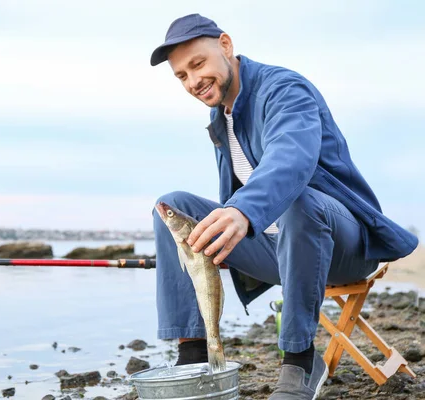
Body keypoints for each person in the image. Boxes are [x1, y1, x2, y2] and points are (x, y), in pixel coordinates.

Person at [149, 13, 418, 400]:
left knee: (300, 200)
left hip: (342, 244)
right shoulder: (221, 117)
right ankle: (192, 357)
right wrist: (223, 235)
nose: (193, 81)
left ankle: (299, 362)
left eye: (198, 64)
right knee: (172, 208)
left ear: (225, 46)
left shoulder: (284, 89)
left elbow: (290, 158)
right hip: (280, 249)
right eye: (181, 76)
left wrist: (241, 213)